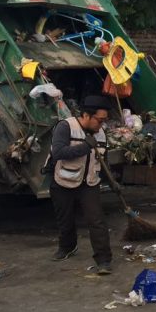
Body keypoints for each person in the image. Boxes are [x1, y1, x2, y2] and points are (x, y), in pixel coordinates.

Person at [47, 96, 113, 275]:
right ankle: (67, 247)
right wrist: (85, 146)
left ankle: (103, 259)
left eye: (104, 120)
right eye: (99, 120)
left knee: (96, 220)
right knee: (65, 218)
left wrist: (111, 181)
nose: (102, 124)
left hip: (89, 182)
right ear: (86, 115)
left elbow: (103, 159)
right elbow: (58, 153)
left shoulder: (100, 132)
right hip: (63, 180)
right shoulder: (65, 127)